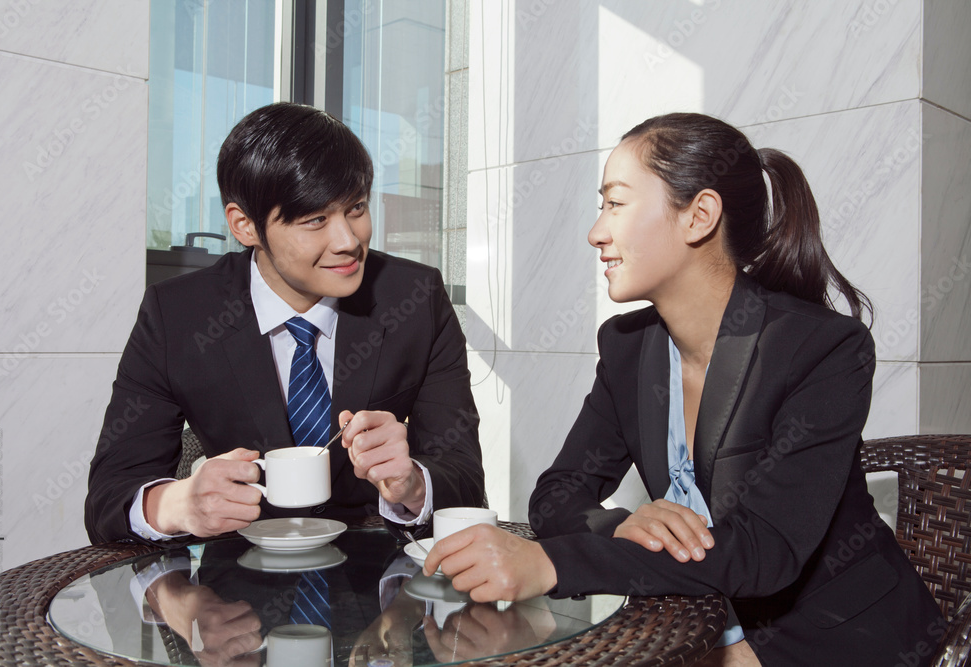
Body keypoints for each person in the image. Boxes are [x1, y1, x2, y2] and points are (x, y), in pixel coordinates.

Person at [423, 113, 944, 665]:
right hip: (693, 624)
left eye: (615, 204)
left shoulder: (823, 349)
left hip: (837, 640)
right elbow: (557, 494)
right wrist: (625, 523)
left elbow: (765, 552)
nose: (596, 232)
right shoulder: (627, 348)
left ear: (699, 216)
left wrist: (554, 564)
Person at [85, 103, 484, 545]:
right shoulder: (178, 315)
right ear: (245, 226)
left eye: (356, 208)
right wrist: (178, 504)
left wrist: (412, 484)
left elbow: (465, 478)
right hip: (235, 586)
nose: (348, 241)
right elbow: (108, 497)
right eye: (315, 220)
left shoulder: (415, 298)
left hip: (380, 583)